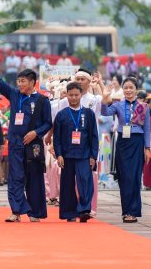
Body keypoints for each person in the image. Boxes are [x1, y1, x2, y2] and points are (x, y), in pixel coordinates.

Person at [0, 42, 52, 223]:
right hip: (15, 143)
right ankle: (15, 211)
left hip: (34, 145)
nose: (20, 84)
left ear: (33, 82)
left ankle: (34, 212)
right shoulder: (14, 94)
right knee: (15, 177)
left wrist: (36, 133)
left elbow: (48, 123)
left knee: (34, 178)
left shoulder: (42, 100)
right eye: (19, 81)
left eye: (23, 81)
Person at [46, 69, 102, 217]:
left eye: (76, 95)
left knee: (85, 182)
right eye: (71, 95)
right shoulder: (61, 114)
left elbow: (93, 136)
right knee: (67, 184)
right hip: (67, 154)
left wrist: (93, 156)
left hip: (84, 154)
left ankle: (84, 209)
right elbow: (57, 137)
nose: (73, 98)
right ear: (67, 96)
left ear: (80, 95)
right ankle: (68, 212)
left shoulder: (88, 114)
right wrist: (59, 154)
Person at [101, 77, 151, 223]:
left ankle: (133, 212)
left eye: (131, 87)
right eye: (126, 87)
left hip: (137, 142)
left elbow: (147, 128)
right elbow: (105, 112)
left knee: (135, 177)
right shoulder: (118, 105)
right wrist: (104, 98)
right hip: (123, 142)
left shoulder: (143, 107)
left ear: (136, 89)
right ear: (123, 89)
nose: (128, 90)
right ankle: (126, 211)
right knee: (124, 177)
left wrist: (147, 147)